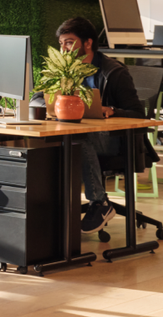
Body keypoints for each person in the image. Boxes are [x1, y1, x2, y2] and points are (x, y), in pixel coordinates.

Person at [33, 17, 145, 234]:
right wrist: (48, 104)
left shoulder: (113, 72)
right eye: (61, 44)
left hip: (115, 140)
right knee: (55, 140)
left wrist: (112, 110)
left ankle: (100, 202)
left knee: (78, 138)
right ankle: (47, 211)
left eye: (69, 42)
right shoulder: (64, 71)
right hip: (77, 134)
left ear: (88, 43)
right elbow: (37, 98)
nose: (64, 49)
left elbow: (139, 114)